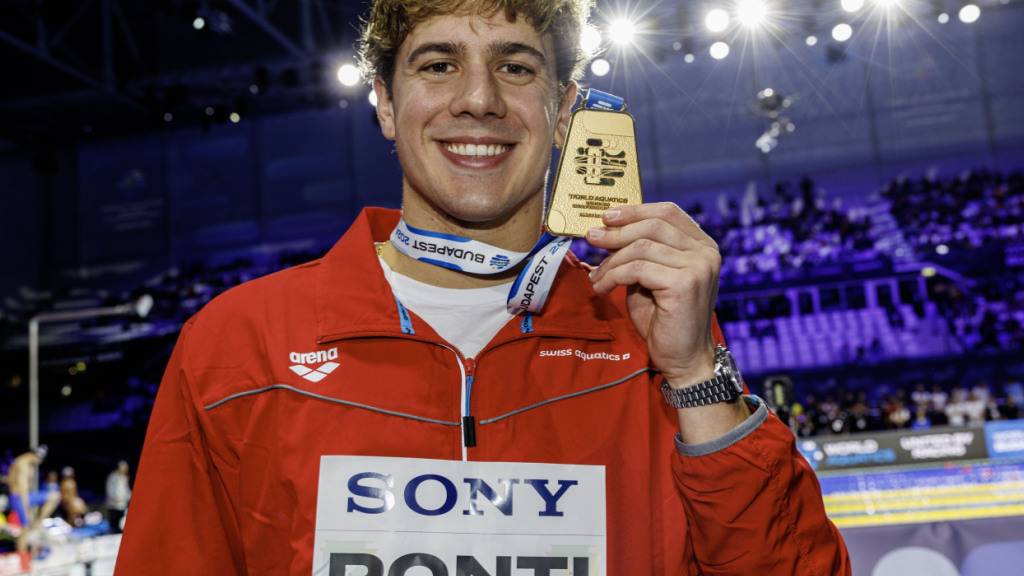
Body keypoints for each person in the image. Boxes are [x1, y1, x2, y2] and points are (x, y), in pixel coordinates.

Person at [115, 1, 850, 574]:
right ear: (383, 103)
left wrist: (692, 374)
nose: (479, 99)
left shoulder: (648, 333)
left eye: (516, 68)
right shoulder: (241, 344)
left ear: (564, 112)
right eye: (437, 65)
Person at [105, 461, 131, 533]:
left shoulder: (124, 477)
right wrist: (115, 497)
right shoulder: (113, 476)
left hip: (122, 503)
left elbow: (126, 489)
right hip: (113, 504)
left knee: (120, 520)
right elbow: (109, 488)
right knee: (114, 521)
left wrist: (129, 496)